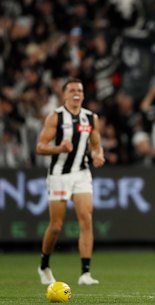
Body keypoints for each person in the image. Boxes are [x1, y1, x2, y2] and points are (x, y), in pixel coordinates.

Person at [36, 78, 105, 286]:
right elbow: (40, 147)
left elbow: (96, 145)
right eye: (72, 90)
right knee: (56, 226)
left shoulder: (91, 118)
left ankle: (85, 273)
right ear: (64, 94)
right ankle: (44, 265)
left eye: (80, 90)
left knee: (86, 219)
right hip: (59, 174)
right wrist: (59, 149)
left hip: (82, 173)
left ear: (83, 95)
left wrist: (97, 155)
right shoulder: (55, 117)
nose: (76, 93)